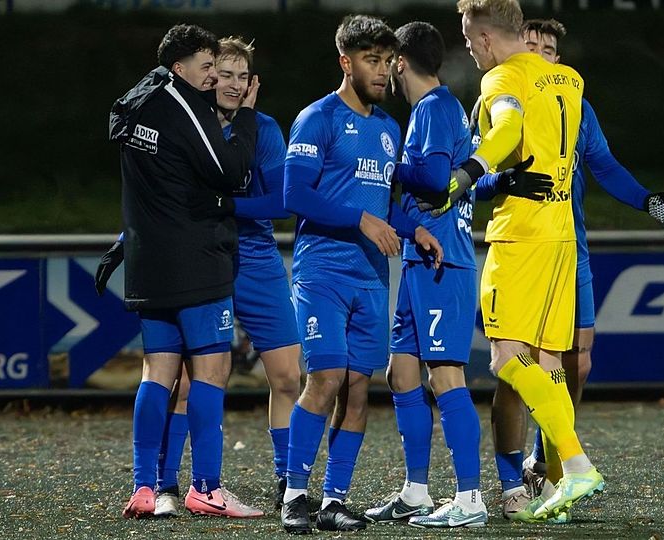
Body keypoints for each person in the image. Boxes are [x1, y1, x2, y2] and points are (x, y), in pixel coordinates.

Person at [423, 0, 605, 523]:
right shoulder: (568, 78)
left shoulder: (501, 78)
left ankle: (574, 465)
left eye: (467, 37)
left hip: (520, 236)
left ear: (483, 38)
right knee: (548, 365)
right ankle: (558, 489)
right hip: (562, 235)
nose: (468, 48)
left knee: (506, 360)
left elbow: (505, 127)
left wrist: (466, 174)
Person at [278, 14, 443, 534]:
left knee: (355, 389)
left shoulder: (390, 129)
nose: (383, 72)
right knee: (324, 378)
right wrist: (360, 219)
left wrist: (412, 228)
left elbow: (382, 206)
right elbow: (294, 195)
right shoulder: (317, 118)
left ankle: (333, 501)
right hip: (322, 271)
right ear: (345, 62)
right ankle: (294, 494)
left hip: (371, 277)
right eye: (372, 61)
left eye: (388, 62)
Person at [514, 18, 664, 513]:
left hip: (572, 248)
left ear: (559, 59)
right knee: (523, 362)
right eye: (533, 46)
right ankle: (519, 473)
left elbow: (603, 164)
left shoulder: (577, 106)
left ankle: (551, 463)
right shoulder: (506, 100)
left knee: (577, 365)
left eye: (550, 48)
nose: (543, 54)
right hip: (529, 249)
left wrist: (647, 201)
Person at [144, 36, 302, 518]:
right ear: (208, 78)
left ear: (253, 83)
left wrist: (226, 204)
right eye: (222, 74)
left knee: (289, 375)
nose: (230, 84)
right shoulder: (190, 125)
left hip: (254, 259)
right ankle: (167, 484)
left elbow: (281, 201)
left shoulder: (266, 129)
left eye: (240, 76)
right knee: (190, 381)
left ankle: (287, 481)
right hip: (203, 259)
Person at [110, 23, 262, 519]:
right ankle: (207, 488)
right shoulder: (186, 106)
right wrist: (248, 119)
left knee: (157, 371)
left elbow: (160, 181)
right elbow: (233, 171)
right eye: (206, 66)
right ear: (180, 69)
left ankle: (145, 487)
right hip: (193, 262)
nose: (214, 75)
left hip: (147, 263)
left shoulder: (137, 102)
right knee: (211, 372)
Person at [361, 21, 488, 529]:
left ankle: (471, 498)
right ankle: (416, 490)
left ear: (398, 62)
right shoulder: (434, 111)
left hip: (443, 262)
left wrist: (388, 165)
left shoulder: (434, 109)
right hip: (422, 261)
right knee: (401, 371)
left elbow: (436, 179)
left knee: (446, 375)